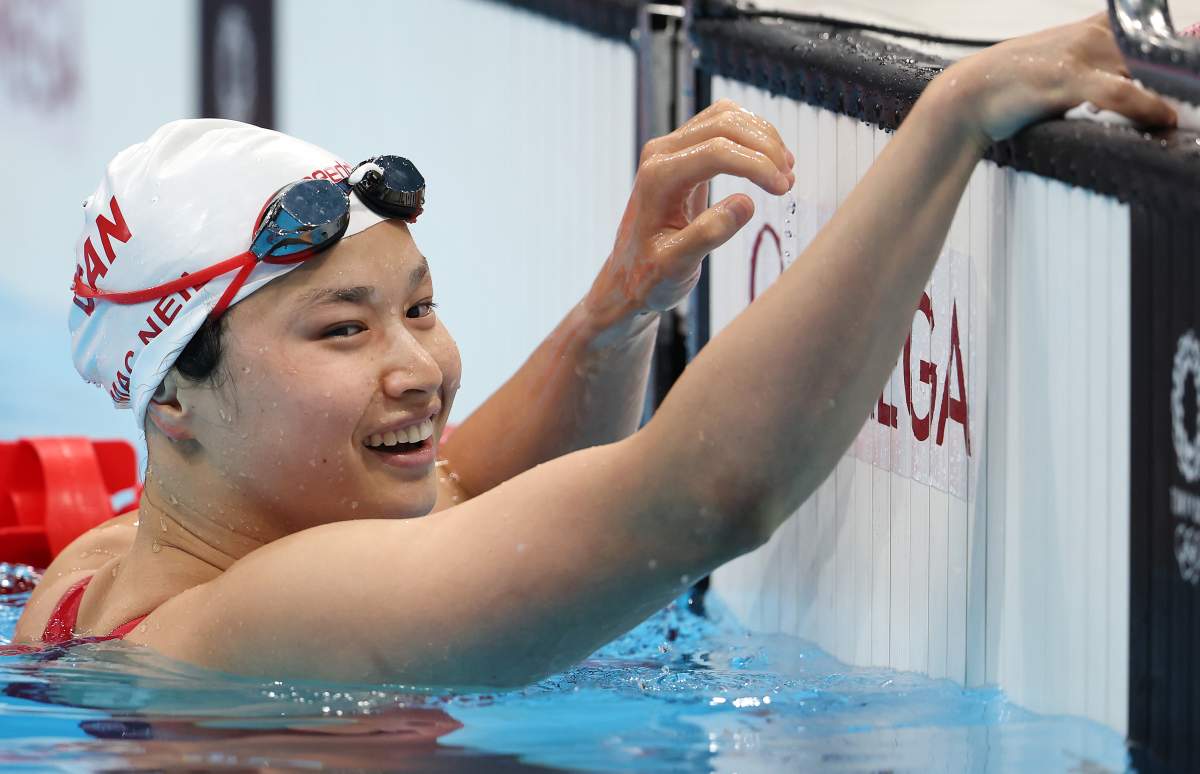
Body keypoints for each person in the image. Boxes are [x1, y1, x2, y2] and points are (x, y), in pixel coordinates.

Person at [12, 15, 1174, 685]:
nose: (419, 366)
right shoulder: (258, 619)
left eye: (419, 307)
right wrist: (952, 117)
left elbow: (468, 484)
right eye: (343, 329)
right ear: (175, 400)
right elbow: (702, 502)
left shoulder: (106, 570)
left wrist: (612, 317)